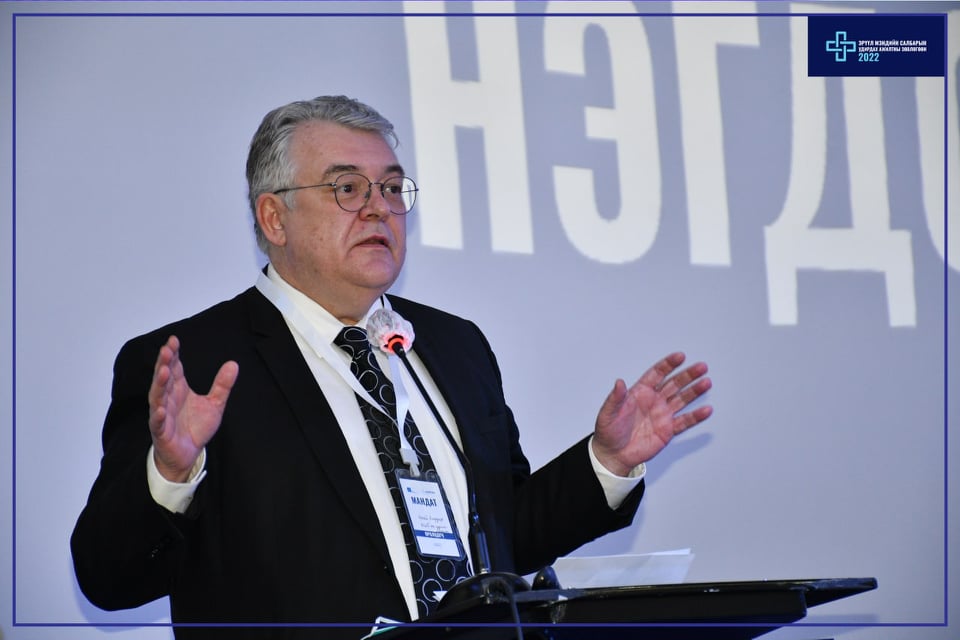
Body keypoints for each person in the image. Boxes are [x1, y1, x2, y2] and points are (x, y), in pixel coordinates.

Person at [71, 95, 713, 639]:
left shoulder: (454, 345)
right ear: (274, 217)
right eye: (347, 188)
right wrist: (170, 474)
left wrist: (606, 462)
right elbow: (107, 577)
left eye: (391, 188)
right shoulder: (197, 362)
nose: (378, 207)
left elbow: (503, 536)